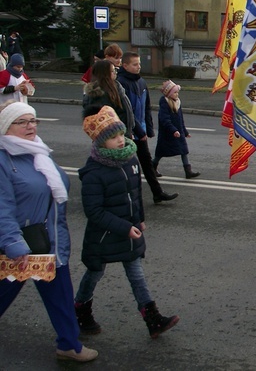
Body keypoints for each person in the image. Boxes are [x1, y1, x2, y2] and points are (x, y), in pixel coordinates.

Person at [0, 101, 98, 362]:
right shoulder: (2, 159)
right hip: (20, 246)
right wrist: (13, 244)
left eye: (33, 120)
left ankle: (69, 345)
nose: (31, 126)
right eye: (22, 122)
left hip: (50, 242)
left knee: (61, 297)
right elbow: (2, 206)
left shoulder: (38, 151)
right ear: (5, 128)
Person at [75, 105, 179, 338]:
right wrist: (126, 227)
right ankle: (80, 310)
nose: (121, 140)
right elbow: (93, 211)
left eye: (121, 134)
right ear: (100, 142)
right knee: (94, 273)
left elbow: (135, 195)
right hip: (103, 236)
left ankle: (153, 319)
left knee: (136, 274)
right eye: (113, 137)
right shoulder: (94, 172)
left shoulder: (130, 160)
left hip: (128, 230)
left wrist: (139, 219)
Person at [117, 52, 178, 204]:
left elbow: (146, 107)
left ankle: (157, 193)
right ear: (125, 66)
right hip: (127, 132)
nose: (139, 67)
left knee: (147, 163)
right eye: (135, 64)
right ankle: (124, 196)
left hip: (141, 130)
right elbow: (127, 111)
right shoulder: (120, 83)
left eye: (139, 64)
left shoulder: (142, 82)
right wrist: (138, 130)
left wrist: (149, 128)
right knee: (125, 164)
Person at [153, 80, 200, 179]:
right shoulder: (164, 103)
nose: (177, 94)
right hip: (168, 133)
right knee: (161, 152)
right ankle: (153, 167)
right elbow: (165, 120)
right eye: (174, 92)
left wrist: (185, 131)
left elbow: (180, 119)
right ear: (169, 93)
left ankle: (188, 171)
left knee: (184, 151)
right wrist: (173, 130)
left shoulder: (178, 102)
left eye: (177, 92)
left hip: (179, 132)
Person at [83, 60, 136, 140]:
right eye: (112, 70)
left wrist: (129, 131)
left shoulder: (115, 87)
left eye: (115, 70)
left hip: (121, 133)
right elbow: (105, 121)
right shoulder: (101, 93)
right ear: (104, 73)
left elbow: (126, 111)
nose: (115, 72)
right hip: (112, 137)